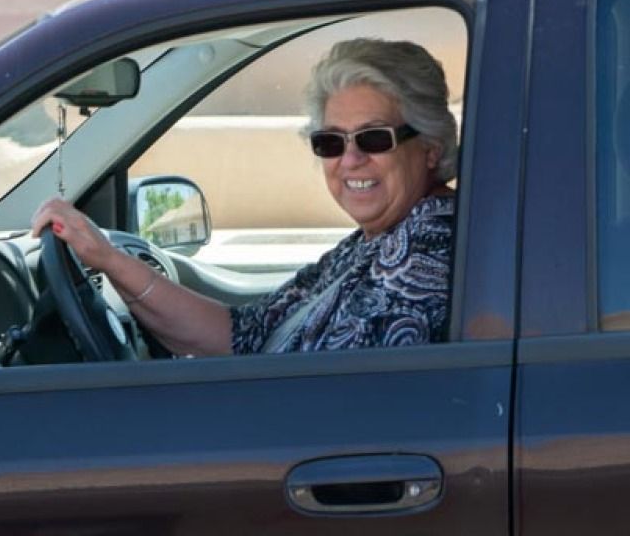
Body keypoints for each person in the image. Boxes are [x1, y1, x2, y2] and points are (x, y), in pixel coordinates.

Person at [31, 38, 457, 356]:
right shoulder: (372, 243)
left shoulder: (427, 247)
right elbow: (246, 335)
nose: (350, 160)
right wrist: (108, 259)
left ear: (431, 146)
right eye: (330, 142)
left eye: (373, 138)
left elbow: (319, 390)